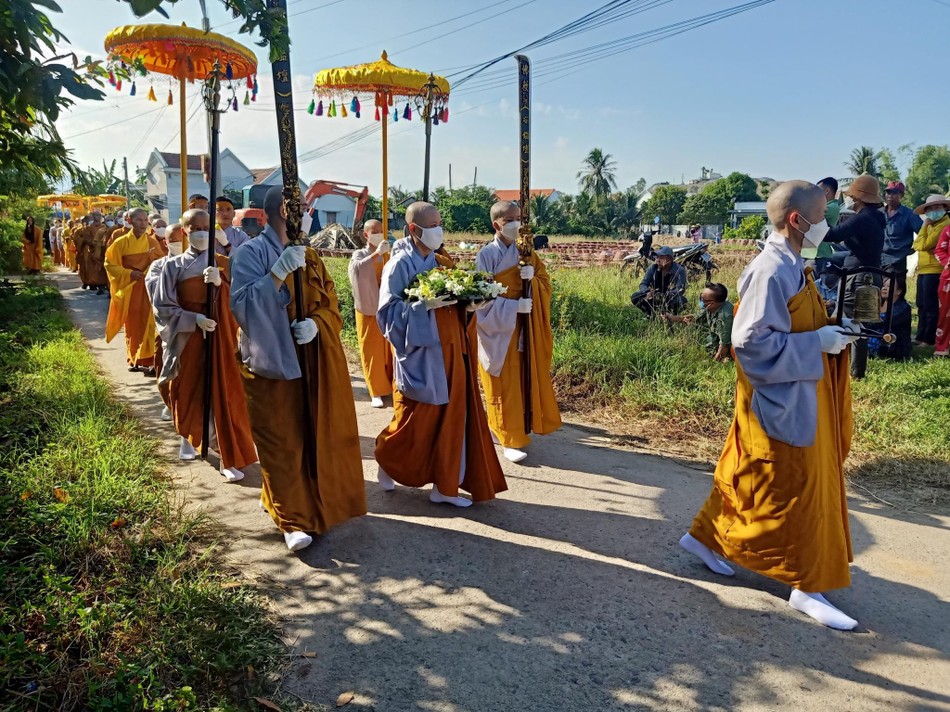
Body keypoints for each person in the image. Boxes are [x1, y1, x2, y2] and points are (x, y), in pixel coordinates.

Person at [680, 180, 860, 631]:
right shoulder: (769, 269)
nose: (830, 223)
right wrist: (814, 342)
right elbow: (751, 344)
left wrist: (833, 328)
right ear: (798, 220)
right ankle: (805, 584)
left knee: (759, 481)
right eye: (825, 215)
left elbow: (795, 320)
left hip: (801, 391)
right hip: (779, 396)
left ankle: (703, 539)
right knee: (793, 487)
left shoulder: (795, 263)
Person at [230, 186, 366, 552]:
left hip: (310, 355)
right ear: (281, 211)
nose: (308, 213)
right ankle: (291, 519)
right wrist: (276, 274)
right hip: (270, 359)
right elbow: (241, 308)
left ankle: (300, 502)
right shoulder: (250, 253)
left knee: (309, 435)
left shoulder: (310, 255)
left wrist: (317, 325)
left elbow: (331, 303)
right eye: (303, 208)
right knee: (280, 440)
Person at [374, 201, 507, 507]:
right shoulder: (399, 264)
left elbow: (451, 293)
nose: (438, 231)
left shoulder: (435, 260)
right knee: (418, 420)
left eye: (439, 224)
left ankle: (444, 486)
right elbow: (387, 315)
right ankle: (387, 456)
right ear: (413, 229)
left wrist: (469, 306)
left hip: (451, 349)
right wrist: (424, 307)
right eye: (431, 226)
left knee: (453, 417)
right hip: (421, 353)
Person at [148, 208, 257, 480]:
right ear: (184, 230)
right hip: (186, 337)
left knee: (223, 392)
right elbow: (162, 307)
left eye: (205, 227)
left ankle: (226, 453)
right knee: (187, 389)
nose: (199, 232)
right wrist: (193, 318)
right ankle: (193, 437)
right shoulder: (171, 267)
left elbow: (240, 303)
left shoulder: (223, 262)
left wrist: (222, 286)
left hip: (218, 336)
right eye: (193, 227)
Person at [475, 201, 562, 462]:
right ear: (496, 225)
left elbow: (545, 283)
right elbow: (482, 297)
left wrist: (532, 280)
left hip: (523, 327)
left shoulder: (526, 251)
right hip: (499, 328)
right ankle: (508, 438)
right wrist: (513, 306)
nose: (516, 224)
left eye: (519, 218)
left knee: (521, 378)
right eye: (509, 219)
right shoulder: (486, 255)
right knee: (502, 382)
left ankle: (513, 428)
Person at [824, 174, 885, 379]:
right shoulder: (875, 218)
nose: (848, 199)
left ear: (858, 198)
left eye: (850, 196)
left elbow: (832, 235)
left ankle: (834, 369)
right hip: (871, 275)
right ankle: (857, 372)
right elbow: (858, 244)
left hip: (858, 277)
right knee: (860, 328)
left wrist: (813, 223)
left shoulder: (863, 218)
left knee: (843, 321)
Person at [104, 208, 162, 373]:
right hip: (130, 290)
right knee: (132, 325)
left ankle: (149, 360)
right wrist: (129, 273)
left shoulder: (152, 242)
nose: (143, 224)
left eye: (145, 220)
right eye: (139, 220)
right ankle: (133, 359)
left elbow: (160, 262)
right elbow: (110, 265)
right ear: (129, 221)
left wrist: (150, 269)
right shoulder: (120, 243)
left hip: (148, 288)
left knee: (150, 324)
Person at [348, 219, 394, 408]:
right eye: (374, 231)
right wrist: (376, 254)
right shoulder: (360, 253)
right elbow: (356, 271)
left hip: (386, 307)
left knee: (389, 350)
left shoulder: (387, 254)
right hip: (368, 309)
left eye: (381, 231)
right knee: (372, 350)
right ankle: (375, 390)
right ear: (366, 235)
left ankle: (391, 386)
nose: (379, 234)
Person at [912, 194, 950, 346]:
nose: (934, 211)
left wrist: (923, 226)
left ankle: (929, 339)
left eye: (937, 207)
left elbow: (922, 245)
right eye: (931, 208)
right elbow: (919, 244)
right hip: (923, 269)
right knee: (921, 304)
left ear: (945, 208)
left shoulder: (944, 225)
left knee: (930, 306)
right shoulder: (931, 225)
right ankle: (921, 335)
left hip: (935, 270)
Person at [664, 282, 734, 362]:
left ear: (712, 303)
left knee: (728, 352)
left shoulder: (725, 316)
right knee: (709, 339)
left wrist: (713, 364)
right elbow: (696, 317)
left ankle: (728, 358)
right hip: (717, 339)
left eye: (703, 300)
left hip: (731, 344)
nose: (701, 302)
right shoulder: (712, 306)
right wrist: (673, 318)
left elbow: (724, 345)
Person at [630, 246, 688, 317]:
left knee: (682, 301)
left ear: (669, 259)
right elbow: (643, 284)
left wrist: (667, 295)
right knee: (635, 296)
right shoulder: (652, 268)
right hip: (653, 297)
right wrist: (647, 292)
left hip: (670, 298)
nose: (657, 260)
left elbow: (680, 289)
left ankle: (671, 316)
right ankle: (651, 314)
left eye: (661, 257)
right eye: (657, 257)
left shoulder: (679, 270)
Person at [883, 181, 922, 276]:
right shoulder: (879, 213)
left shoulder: (910, 214)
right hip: (878, 260)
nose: (890, 195)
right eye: (888, 192)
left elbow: (922, 234)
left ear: (902, 195)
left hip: (897, 261)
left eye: (894, 193)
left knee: (894, 289)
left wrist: (913, 249)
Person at [870, 277, 912, 361]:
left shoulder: (904, 308)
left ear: (899, 291)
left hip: (894, 347)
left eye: (889, 286)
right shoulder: (877, 304)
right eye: (884, 285)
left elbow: (885, 322)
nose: (884, 288)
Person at [73, 212, 109, 294]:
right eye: (96, 215)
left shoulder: (104, 227)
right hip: (91, 251)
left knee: (102, 268)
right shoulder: (88, 228)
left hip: (102, 250)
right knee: (92, 269)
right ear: (93, 217)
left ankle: (102, 285)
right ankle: (92, 283)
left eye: (100, 215)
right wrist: (92, 243)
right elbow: (85, 238)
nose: (98, 217)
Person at [931, 209, 950, 357]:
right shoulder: (947, 230)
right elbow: (939, 251)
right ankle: (942, 347)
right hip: (948, 278)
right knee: (944, 314)